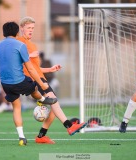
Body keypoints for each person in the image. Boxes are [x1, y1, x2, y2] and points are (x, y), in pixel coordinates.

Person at [17, 16, 87, 144]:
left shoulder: (31, 44)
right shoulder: (19, 42)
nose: (31, 30)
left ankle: (41, 136)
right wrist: (28, 55)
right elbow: (16, 59)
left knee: (54, 108)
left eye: (32, 28)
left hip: (40, 77)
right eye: (28, 28)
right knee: (54, 102)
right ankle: (69, 126)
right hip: (34, 80)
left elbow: (36, 68)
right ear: (22, 28)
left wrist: (50, 69)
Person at [0, 21, 58, 146]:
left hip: (5, 82)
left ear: (4, 33)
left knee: (16, 107)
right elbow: (30, 69)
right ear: (17, 32)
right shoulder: (20, 45)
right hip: (18, 80)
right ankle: (42, 99)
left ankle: (21, 137)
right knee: (34, 87)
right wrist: (42, 84)